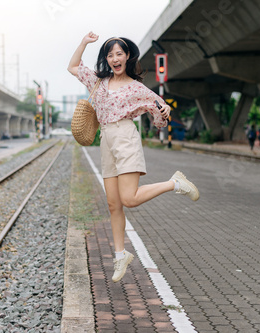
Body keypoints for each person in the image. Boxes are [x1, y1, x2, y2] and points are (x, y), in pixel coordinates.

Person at [67, 32, 200, 283]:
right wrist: (83, 42)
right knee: (113, 204)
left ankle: (175, 183)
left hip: (125, 137)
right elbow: (73, 66)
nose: (114, 58)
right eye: (110, 54)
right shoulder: (98, 81)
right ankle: (121, 255)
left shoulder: (138, 89)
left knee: (129, 198)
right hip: (105, 140)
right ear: (106, 59)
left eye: (119, 53)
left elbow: (160, 119)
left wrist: (166, 110)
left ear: (128, 57)